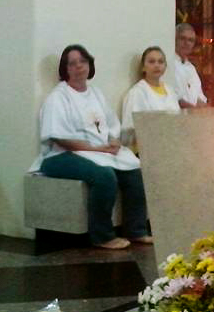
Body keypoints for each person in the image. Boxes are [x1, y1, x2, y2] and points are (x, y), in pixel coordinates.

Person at [28, 45, 152, 249]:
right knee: (104, 176)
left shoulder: (95, 93)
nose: (79, 66)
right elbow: (61, 139)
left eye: (83, 61)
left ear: (89, 64)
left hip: (97, 151)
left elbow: (112, 125)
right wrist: (98, 150)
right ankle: (102, 236)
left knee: (134, 171)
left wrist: (114, 141)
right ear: (65, 69)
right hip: (61, 156)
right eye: (72, 63)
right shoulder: (58, 97)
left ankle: (136, 230)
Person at [121, 46, 180, 147]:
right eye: (152, 62)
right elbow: (129, 130)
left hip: (172, 144)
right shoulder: (137, 93)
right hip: (148, 149)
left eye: (160, 62)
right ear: (143, 67)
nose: (157, 65)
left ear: (165, 66)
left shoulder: (170, 91)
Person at [172, 23, 208, 108]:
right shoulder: (168, 64)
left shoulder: (191, 68)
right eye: (182, 38)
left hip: (193, 118)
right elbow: (174, 99)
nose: (186, 43)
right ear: (175, 39)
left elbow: (199, 98)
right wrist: (193, 111)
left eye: (190, 40)